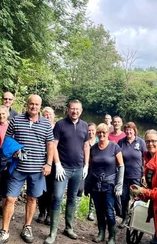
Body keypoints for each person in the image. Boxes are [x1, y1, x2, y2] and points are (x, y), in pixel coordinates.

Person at [0, 95, 54, 244]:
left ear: (40, 105)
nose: (33, 107)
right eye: (31, 104)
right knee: (10, 199)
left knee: (32, 198)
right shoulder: (16, 120)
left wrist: (49, 164)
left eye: (37, 104)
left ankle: (27, 227)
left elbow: (50, 145)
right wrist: (14, 151)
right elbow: (7, 141)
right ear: (27, 104)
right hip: (18, 167)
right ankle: (5, 231)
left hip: (37, 168)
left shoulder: (46, 124)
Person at [44, 99, 90, 244]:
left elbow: (86, 146)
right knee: (57, 197)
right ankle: (52, 233)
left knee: (72, 198)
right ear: (67, 110)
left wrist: (86, 165)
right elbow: (53, 145)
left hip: (78, 169)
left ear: (81, 110)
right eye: (72, 109)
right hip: (63, 169)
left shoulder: (84, 125)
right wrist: (57, 164)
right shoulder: (60, 124)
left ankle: (68, 228)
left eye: (77, 109)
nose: (75, 111)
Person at [85, 123, 124, 244]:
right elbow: (91, 167)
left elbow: (121, 166)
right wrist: (87, 185)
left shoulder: (114, 147)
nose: (101, 134)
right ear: (97, 134)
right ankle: (101, 233)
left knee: (109, 210)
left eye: (104, 132)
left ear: (108, 134)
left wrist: (119, 184)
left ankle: (112, 236)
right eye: (99, 132)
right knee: (98, 210)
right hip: (96, 185)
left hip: (109, 184)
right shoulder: (93, 149)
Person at [117, 121, 146, 228]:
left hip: (137, 176)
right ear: (124, 131)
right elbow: (116, 157)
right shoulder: (121, 142)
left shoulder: (141, 142)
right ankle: (125, 217)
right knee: (124, 198)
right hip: (124, 176)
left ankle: (135, 217)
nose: (128, 131)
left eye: (131, 129)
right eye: (127, 129)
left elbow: (146, 159)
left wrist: (144, 175)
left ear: (134, 131)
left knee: (138, 198)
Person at [37, 107, 56, 225]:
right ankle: (41, 212)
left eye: (49, 114)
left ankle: (49, 213)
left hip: (53, 161)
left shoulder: (57, 127)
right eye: (45, 114)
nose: (47, 116)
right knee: (40, 188)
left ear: (53, 116)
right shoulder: (39, 126)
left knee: (51, 189)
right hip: (39, 160)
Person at [76, 122, 98, 222]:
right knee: (80, 188)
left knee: (94, 190)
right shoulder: (83, 140)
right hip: (83, 167)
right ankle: (75, 209)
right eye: (89, 130)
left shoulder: (98, 141)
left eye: (93, 130)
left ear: (96, 131)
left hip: (94, 169)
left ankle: (91, 212)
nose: (91, 132)